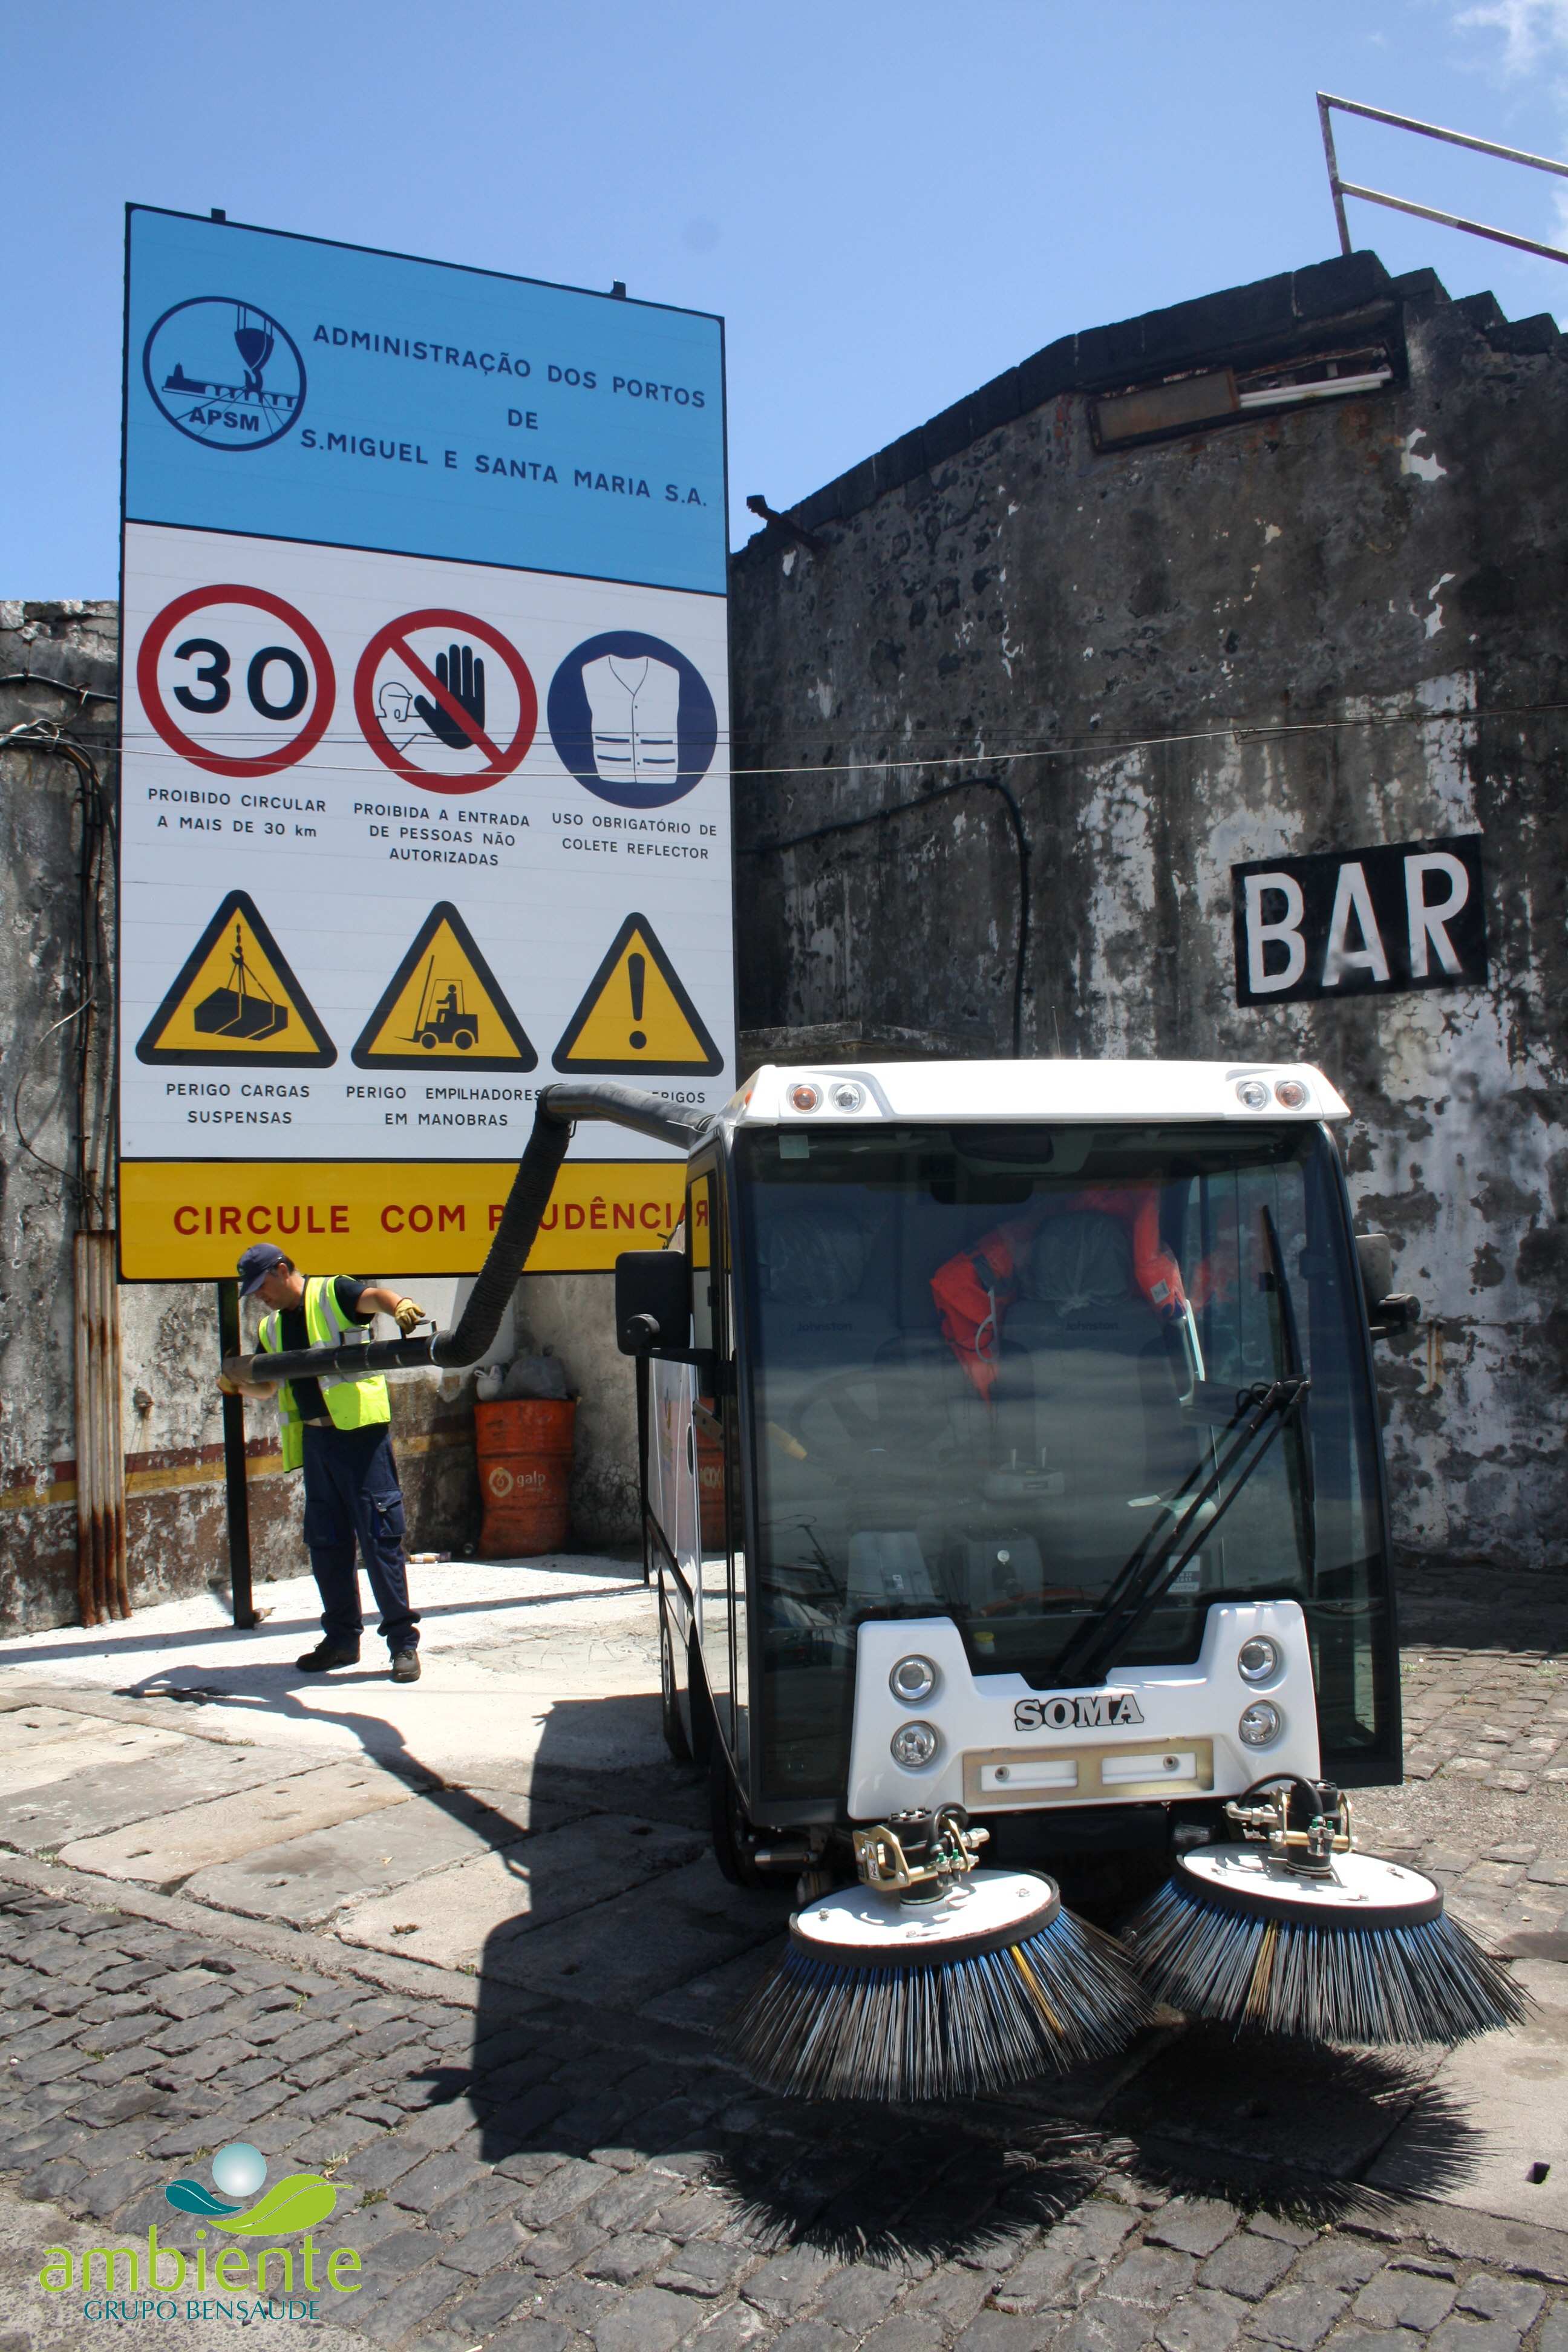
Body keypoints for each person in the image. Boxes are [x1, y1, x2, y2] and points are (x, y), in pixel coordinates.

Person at [219, 1244, 428, 1681]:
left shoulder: (333, 1293)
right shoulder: (272, 1328)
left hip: (360, 1440)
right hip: (316, 1443)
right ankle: (341, 1640)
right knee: (327, 1544)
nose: (262, 1298)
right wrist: (236, 1385)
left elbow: (375, 1298)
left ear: (281, 1270)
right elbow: (268, 1387)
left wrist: (400, 1305)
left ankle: (402, 1644)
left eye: (263, 1287)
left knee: (379, 1537)